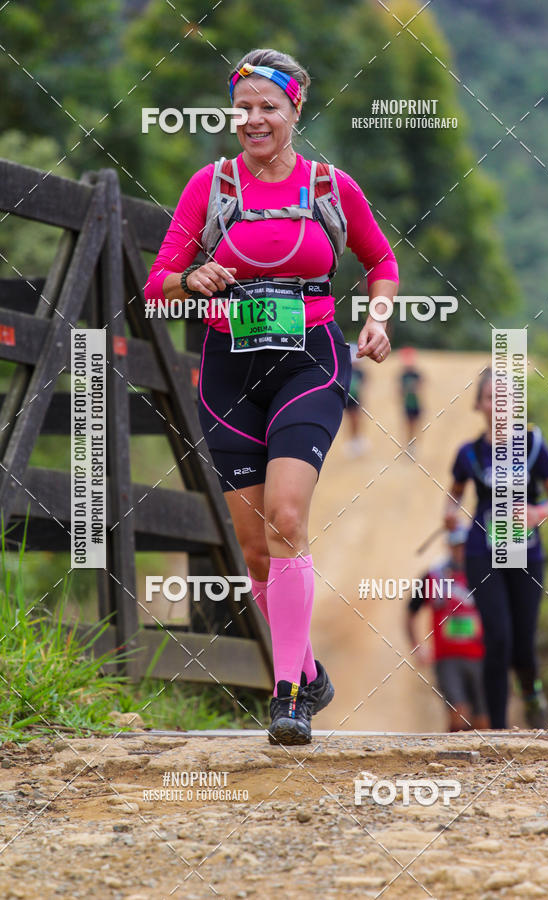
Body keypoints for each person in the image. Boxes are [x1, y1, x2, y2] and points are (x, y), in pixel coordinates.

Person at [145, 48, 399, 745]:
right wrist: (192, 278)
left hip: (309, 363)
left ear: (294, 112)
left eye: (269, 108)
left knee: (288, 515)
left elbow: (381, 259)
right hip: (228, 370)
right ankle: (308, 670)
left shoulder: (328, 185)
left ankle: (288, 697)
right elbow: (156, 282)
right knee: (254, 550)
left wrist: (376, 318)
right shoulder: (212, 185)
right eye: (244, 108)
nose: (254, 120)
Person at [444, 367, 548, 729]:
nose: (498, 406)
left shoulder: (534, 446)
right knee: (496, 639)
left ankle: (531, 692)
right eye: (490, 398)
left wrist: (538, 512)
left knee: (522, 645)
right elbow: (453, 495)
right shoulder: (468, 454)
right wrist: (450, 515)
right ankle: (497, 731)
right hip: (482, 552)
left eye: (506, 399)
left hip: (527, 552)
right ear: (479, 404)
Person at [405, 526, 489, 732]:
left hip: (481, 657)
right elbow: (411, 612)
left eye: (464, 546)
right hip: (447, 659)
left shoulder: (486, 575)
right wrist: (417, 646)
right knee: (457, 715)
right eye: (456, 546)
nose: (460, 551)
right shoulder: (434, 576)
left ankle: (483, 764)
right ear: (449, 547)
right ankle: (453, 761)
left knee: (483, 721)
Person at [344, 343, 369, 457]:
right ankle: (352, 441)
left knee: (357, 420)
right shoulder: (346, 370)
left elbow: (363, 385)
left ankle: (357, 439)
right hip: (347, 399)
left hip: (356, 399)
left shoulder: (360, 372)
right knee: (350, 420)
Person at [398, 346, 423, 451]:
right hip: (407, 404)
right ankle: (409, 444)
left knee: (415, 425)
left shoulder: (417, 375)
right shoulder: (403, 375)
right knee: (408, 425)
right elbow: (400, 391)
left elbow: (420, 389)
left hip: (415, 403)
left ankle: (412, 444)